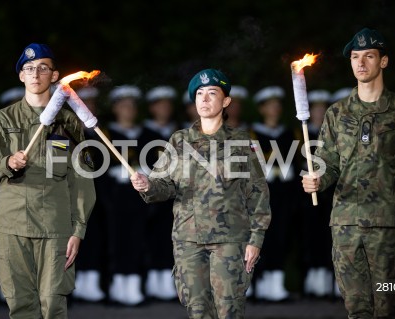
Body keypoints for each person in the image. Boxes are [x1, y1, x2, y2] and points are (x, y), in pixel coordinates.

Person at [302, 28, 395, 318]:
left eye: (369, 56)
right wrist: (317, 180)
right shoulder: (337, 113)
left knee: (390, 304)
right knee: (355, 307)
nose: (361, 63)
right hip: (345, 224)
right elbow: (328, 163)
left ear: (383, 62)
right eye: (355, 57)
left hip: (388, 224)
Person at [130, 68, 271, 318]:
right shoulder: (179, 141)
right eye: (199, 94)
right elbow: (164, 186)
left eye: (212, 93)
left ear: (226, 101)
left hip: (230, 240)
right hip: (188, 241)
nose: (204, 99)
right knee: (197, 310)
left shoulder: (241, 142)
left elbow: (258, 193)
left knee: (229, 309)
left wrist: (256, 239)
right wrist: (147, 186)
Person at [0, 43, 96, 318]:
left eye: (43, 68)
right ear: (21, 76)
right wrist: (6, 162)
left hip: (56, 227)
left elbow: (82, 181)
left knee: (53, 304)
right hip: (12, 225)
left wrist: (78, 229)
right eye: (28, 68)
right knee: (20, 305)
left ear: (54, 76)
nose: (35, 73)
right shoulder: (3, 120)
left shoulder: (69, 123)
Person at [103, 85, 162, 306]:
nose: (128, 110)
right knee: (117, 242)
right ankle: (118, 287)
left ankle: (135, 285)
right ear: (115, 108)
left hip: (140, 197)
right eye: (123, 105)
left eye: (132, 105)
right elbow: (94, 169)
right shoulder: (105, 135)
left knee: (139, 240)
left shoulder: (148, 135)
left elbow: (160, 167)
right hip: (116, 198)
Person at [250, 85, 302, 302]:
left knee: (281, 237)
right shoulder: (251, 134)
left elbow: (298, 163)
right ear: (261, 109)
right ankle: (258, 284)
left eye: (277, 104)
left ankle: (276, 285)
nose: (275, 108)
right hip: (260, 197)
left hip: (283, 196)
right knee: (260, 238)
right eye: (270, 105)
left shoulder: (290, 133)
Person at [142, 85, 178, 301]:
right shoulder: (144, 133)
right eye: (160, 104)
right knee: (150, 237)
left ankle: (167, 281)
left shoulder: (179, 132)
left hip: (176, 191)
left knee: (171, 237)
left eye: (168, 104)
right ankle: (152, 282)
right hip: (152, 191)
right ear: (152, 108)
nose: (164, 108)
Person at [72, 86, 107, 303]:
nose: (90, 108)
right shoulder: (68, 130)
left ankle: (91, 282)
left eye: (93, 104)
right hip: (74, 192)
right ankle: (73, 284)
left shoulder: (101, 131)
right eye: (86, 104)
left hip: (97, 192)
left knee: (94, 236)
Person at [300, 89, 335, 298]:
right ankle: (313, 282)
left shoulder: (332, 135)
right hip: (308, 194)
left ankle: (332, 282)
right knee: (311, 237)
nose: (320, 113)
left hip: (331, 193)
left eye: (324, 110)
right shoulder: (301, 134)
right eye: (317, 109)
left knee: (330, 237)